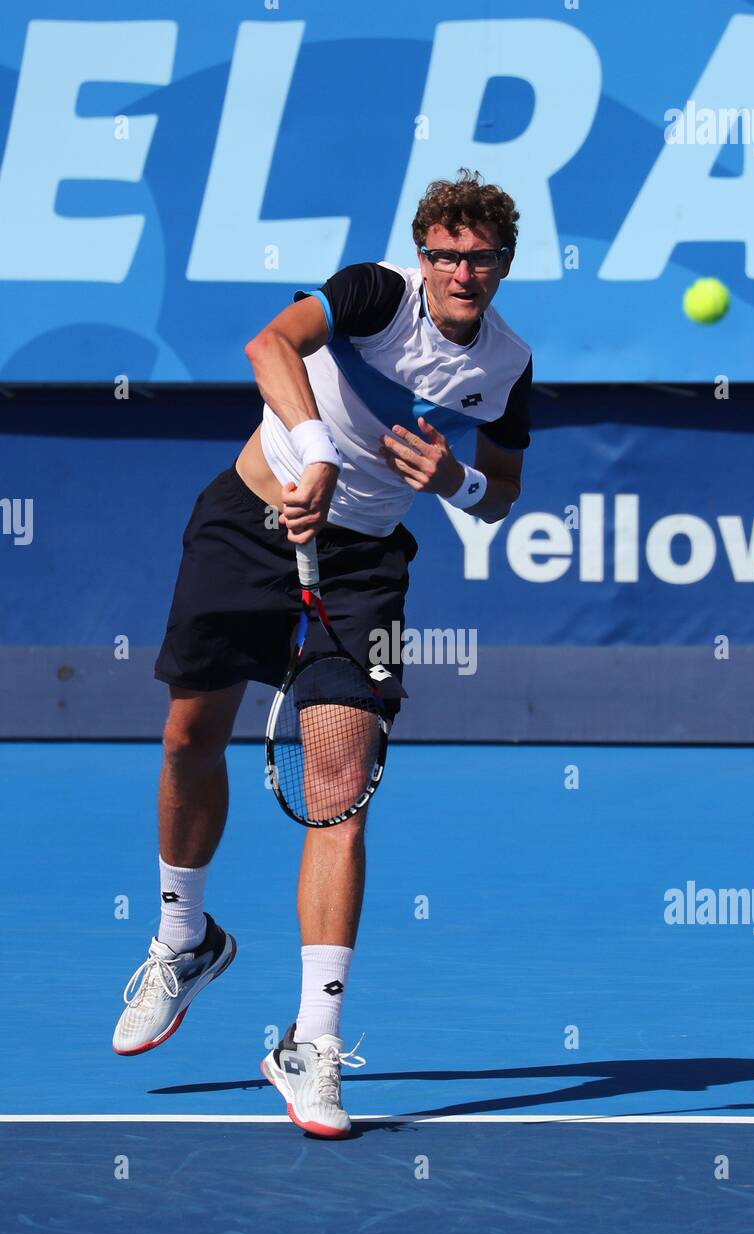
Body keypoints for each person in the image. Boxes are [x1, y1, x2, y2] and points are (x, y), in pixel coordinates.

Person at [112, 169, 533, 1138]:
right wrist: (313, 451)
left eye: (478, 258)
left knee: (339, 790)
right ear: (421, 256)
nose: (459, 271)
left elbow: (500, 489)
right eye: (445, 253)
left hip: (363, 572)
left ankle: (311, 1040)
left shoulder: (507, 363)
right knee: (187, 739)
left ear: (502, 265)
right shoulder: (375, 293)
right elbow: (271, 343)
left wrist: (457, 481)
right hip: (248, 523)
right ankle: (185, 939)